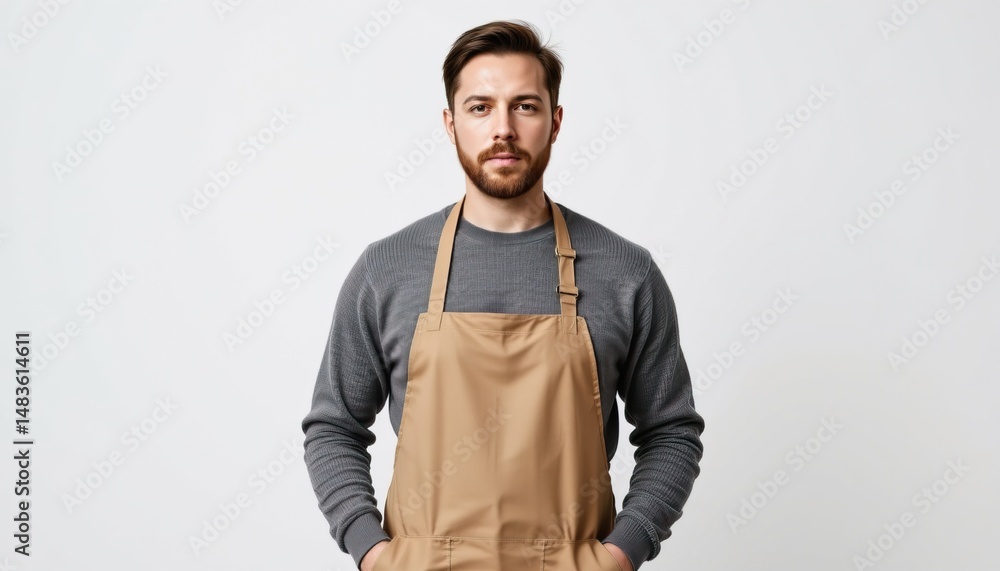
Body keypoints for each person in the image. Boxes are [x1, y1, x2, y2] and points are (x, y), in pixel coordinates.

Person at [301, 19, 705, 571]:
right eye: (479, 107)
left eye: (525, 106)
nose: (503, 129)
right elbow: (333, 427)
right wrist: (370, 550)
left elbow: (672, 432)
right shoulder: (386, 268)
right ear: (450, 124)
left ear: (555, 122)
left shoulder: (626, 271)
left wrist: (621, 553)